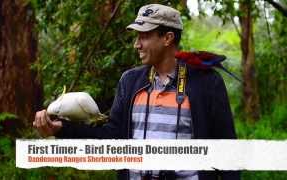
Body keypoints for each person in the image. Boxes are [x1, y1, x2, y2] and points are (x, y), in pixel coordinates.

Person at [33, 4, 240, 180]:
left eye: (144, 36)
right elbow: (111, 139)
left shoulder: (206, 83)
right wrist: (61, 129)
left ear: (167, 38)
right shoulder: (130, 82)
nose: (136, 44)